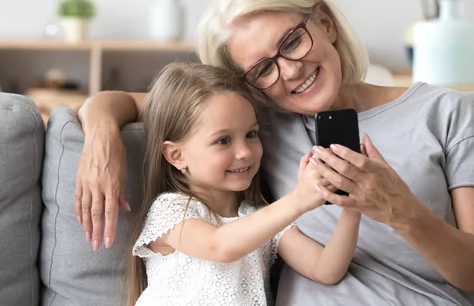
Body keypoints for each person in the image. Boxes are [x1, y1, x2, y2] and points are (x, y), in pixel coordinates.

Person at [76, 0, 474, 305]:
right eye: (262, 68)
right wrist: (101, 136)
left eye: (292, 42)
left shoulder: (444, 112)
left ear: (324, 23)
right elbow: (127, 103)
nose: (289, 71)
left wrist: (398, 210)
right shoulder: (253, 125)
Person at [126, 62, 361, 306]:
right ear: (177, 156)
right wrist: (298, 200)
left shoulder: (259, 219)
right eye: (223, 140)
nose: (244, 152)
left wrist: (353, 209)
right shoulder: (170, 211)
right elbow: (220, 246)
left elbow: (326, 270)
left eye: (251, 134)